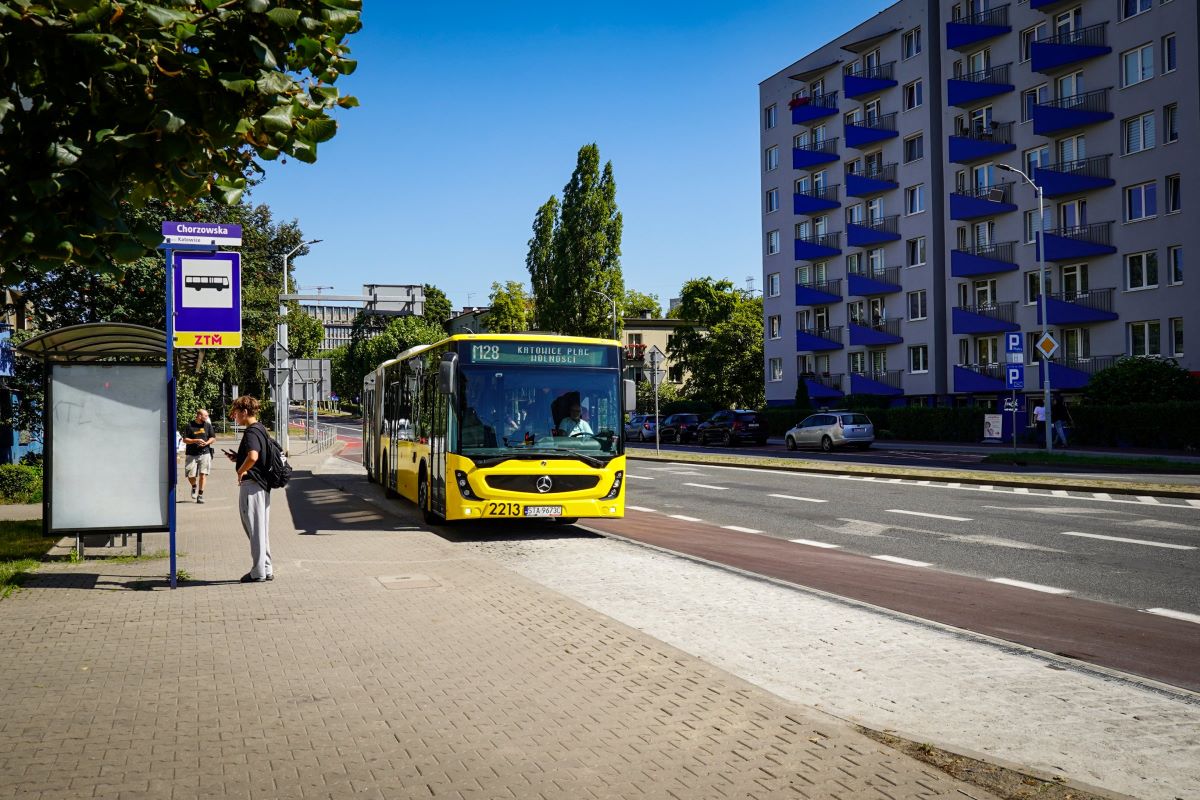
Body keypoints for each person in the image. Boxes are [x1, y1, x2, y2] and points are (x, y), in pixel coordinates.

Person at [225, 396, 273, 583]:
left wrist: (240, 470)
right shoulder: (261, 429)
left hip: (252, 486)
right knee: (261, 528)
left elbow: (253, 456)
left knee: (254, 529)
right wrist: (239, 457)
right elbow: (257, 456)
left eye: (236, 413)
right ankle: (266, 568)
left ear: (244, 412)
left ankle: (258, 571)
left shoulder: (251, 432)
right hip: (262, 485)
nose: (234, 417)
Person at [182, 408, 216, 503]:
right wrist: (195, 440)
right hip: (191, 454)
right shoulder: (189, 425)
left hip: (205, 453)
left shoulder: (208, 425)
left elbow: (213, 438)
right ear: (199, 416)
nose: (207, 417)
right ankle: (194, 486)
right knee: (190, 475)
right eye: (206, 416)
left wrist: (206, 443)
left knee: (203, 474)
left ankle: (200, 495)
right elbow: (185, 440)